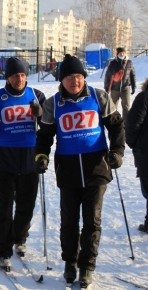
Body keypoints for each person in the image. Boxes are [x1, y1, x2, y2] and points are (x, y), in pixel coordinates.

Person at [35, 54, 125, 288]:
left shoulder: (99, 96)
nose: (75, 81)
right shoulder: (53, 104)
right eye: (69, 77)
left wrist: (117, 151)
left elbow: (116, 126)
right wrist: (42, 156)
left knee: (92, 221)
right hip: (68, 169)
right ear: (62, 80)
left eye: (78, 76)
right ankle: (70, 262)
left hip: (97, 167)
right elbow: (44, 136)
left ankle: (87, 266)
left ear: (84, 78)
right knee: (69, 221)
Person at [0, 57, 45, 270]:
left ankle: (20, 238)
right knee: (4, 207)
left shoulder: (37, 96)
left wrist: (41, 114)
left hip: (29, 158)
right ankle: (2, 250)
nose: (20, 79)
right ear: (8, 77)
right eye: (16, 75)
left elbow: (48, 124)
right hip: (4, 159)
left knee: (26, 205)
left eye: (23, 75)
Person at [125, 78, 148, 234]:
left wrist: (134, 144)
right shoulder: (145, 97)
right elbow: (133, 123)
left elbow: (132, 124)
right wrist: (134, 144)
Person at [104, 47, 136, 119]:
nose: (122, 54)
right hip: (115, 89)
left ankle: (125, 124)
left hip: (125, 88)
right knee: (113, 107)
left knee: (126, 107)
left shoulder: (129, 63)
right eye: (120, 53)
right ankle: (115, 123)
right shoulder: (113, 63)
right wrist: (106, 88)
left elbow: (132, 75)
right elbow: (108, 76)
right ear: (117, 54)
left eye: (123, 53)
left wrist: (134, 86)